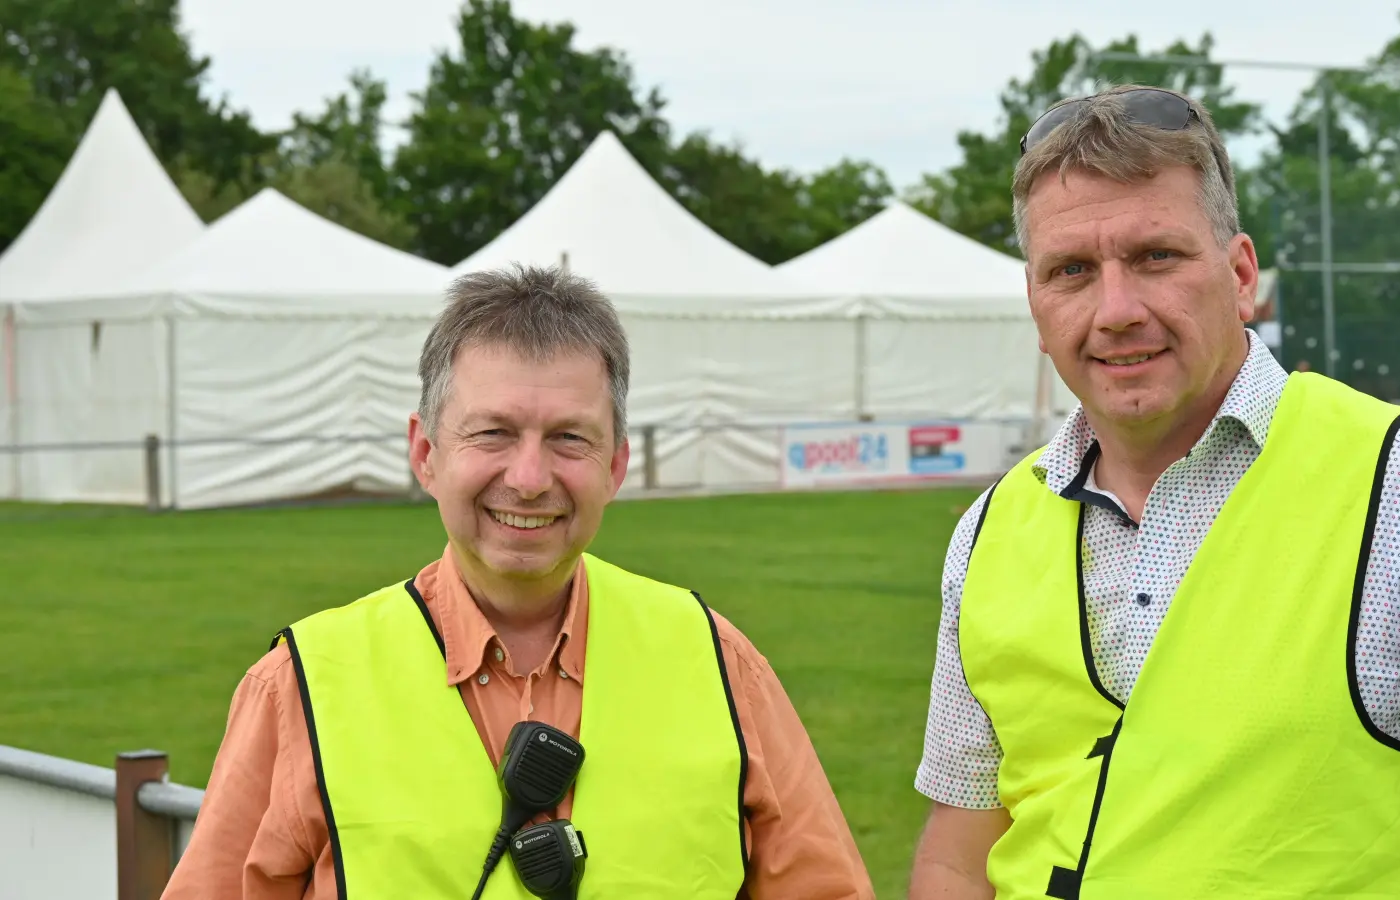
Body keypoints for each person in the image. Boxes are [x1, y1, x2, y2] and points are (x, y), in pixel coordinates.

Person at [907, 84, 1400, 899]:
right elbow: (960, 852)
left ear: (1241, 275)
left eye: (1155, 257)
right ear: (1037, 302)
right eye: (1071, 271)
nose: (1117, 309)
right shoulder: (990, 531)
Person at [164, 265, 874, 899]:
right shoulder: (301, 685)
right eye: (493, 434)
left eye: (569, 438)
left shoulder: (721, 663)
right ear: (426, 452)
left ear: (615, 466)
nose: (530, 480)